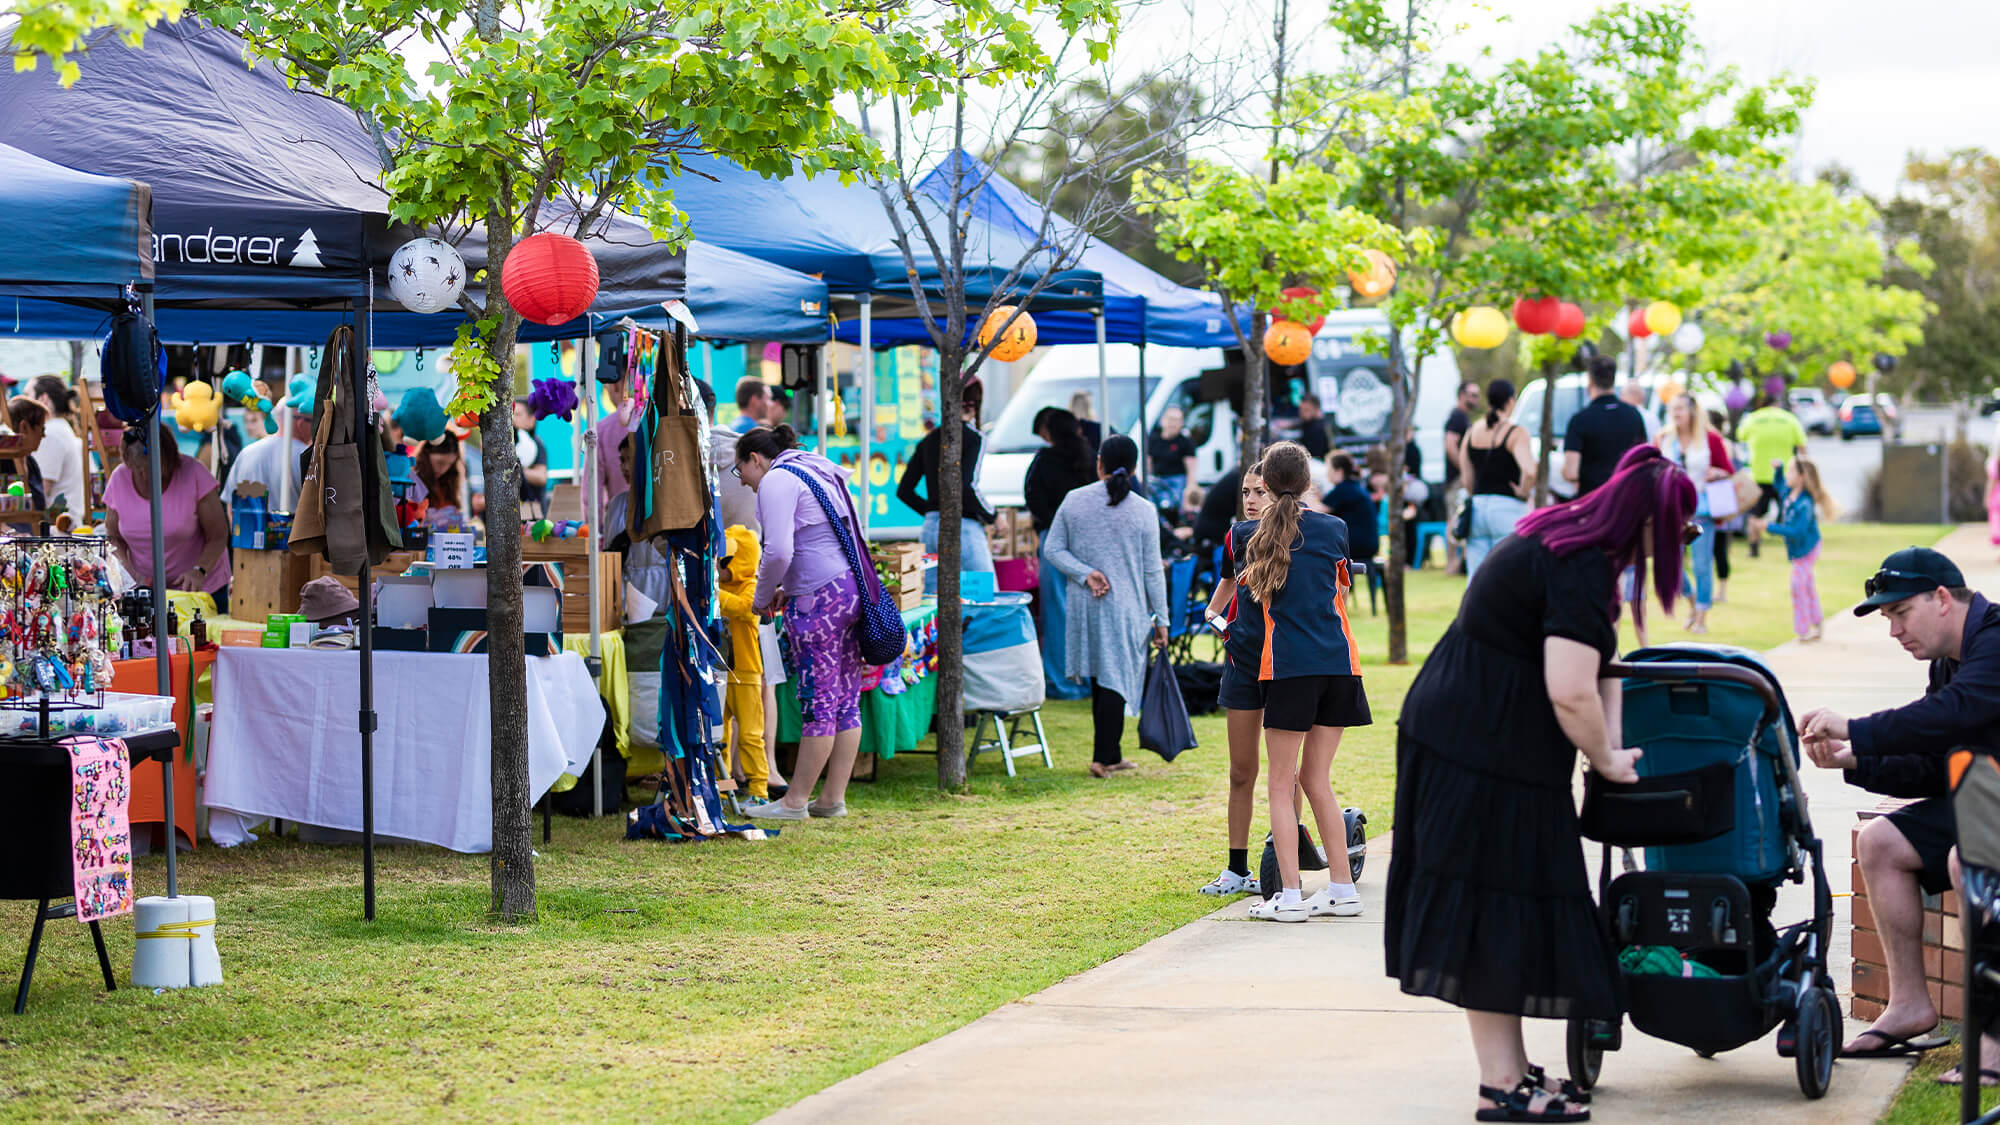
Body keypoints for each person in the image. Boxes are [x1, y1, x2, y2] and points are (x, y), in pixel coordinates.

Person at [1387, 445, 1694, 1122]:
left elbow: (1601, 665)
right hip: (1477, 746)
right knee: (1494, 906)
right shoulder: (1579, 562)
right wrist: (1607, 761)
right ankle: (1500, 1085)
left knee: (1512, 903)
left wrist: (1607, 752)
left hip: (1487, 738)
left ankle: (1514, 1070)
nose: (1676, 545)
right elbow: (1571, 690)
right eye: (1677, 531)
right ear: (1648, 522)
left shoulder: (1565, 539)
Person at [1797, 548, 2000, 1076]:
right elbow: (1937, 764)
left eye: (1899, 613)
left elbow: (1957, 712)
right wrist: (1856, 758)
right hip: (1990, 799)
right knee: (1880, 843)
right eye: (1888, 619)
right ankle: (1910, 1006)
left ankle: (1995, 1042)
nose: (1893, 631)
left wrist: (1856, 728)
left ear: (1940, 599)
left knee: (1970, 857)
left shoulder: (1997, 640)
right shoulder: (1947, 662)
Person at [1235, 442, 1371, 922]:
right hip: (1339, 666)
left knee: (1279, 783)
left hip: (1289, 668)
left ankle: (1289, 896)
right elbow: (1341, 590)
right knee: (1317, 780)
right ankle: (1340, 888)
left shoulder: (1249, 536)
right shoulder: (1336, 529)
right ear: (1310, 481)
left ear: (1266, 486)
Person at [735, 424, 868, 821]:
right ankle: (831, 799)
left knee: (819, 700)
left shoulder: (777, 479)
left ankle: (794, 802)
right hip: (849, 589)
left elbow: (778, 551)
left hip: (819, 601)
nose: (742, 481)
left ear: (755, 459)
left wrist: (760, 599)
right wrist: (786, 589)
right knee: (846, 700)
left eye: (739, 470)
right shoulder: (816, 467)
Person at [1042, 434, 1169, 777]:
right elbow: (1152, 570)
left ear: (1099, 463)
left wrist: (1086, 574)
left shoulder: (1074, 500)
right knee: (1113, 678)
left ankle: (1110, 753)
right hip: (1125, 607)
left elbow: (1052, 550)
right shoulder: (1143, 510)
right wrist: (1162, 619)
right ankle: (1104, 757)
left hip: (1085, 605)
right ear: (1135, 466)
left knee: (1103, 678)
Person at [1198, 463, 1273, 896]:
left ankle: (1284, 862)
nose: (1250, 499)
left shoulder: (1300, 537)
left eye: (1259, 492)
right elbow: (1223, 589)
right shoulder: (1236, 538)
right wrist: (1215, 619)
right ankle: (1236, 869)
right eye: (1246, 491)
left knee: (1289, 774)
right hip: (1243, 663)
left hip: (1286, 665)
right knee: (1241, 771)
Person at [104, 423, 233, 613]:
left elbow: (219, 535)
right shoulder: (119, 478)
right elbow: (114, 536)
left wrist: (200, 570)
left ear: (168, 458)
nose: (145, 476)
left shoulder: (194, 473)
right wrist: (126, 571)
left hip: (201, 590)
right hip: (147, 593)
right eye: (137, 469)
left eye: (152, 468)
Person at [1024, 407, 1098, 702]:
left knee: (1056, 613)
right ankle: (1089, 681)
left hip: (1054, 541)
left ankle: (1061, 681)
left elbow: (1032, 497)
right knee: (1087, 612)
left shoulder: (1044, 461)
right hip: (1089, 542)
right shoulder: (1090, 457)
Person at [897, 377, 996, 575]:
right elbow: (967, 486)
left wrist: (933, 511)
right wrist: (993, 516)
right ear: (975, 405)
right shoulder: (974, 438)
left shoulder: (929, 440)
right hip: (964, 528)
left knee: (932, 600)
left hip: (930, 528)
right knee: (985, 597)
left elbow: (904, 491)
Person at [1654, 394, 1734, 634]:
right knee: (1671, 563)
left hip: (1701, 509)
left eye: (1680, 409)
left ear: (1692, 412)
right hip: (1671, 509)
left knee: (1702, 564)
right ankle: (1691, 599)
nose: (1676, 414)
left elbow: (1728, 470)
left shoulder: (1709, 439)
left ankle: (1701, 616)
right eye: (1673, 409)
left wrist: (1717, 473)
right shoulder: (1664, 438)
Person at [1457, 378, 1535, 578]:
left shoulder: (1472, 431)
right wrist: (1523, 492)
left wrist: (1477, 494)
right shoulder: (1516, 432)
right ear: (1511, 401)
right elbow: (1530, 471)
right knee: (1510, 576)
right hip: (1507, 507)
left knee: (1477, 578)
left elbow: (1466, 477)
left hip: (1478, 508)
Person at [715, 524, 770, 801]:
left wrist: (715, 595)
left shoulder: (753, 586)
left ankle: (759, 790)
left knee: (750, 734)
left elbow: (746, 609)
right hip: (721, 670)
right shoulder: (720, 585)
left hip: (746, 671)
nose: (718, 565)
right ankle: (725, 791)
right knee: (719, 733)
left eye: (724, 561)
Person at [1763, 456, 1833, 642]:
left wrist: (1769, 527)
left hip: (1807, 549)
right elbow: (1778, 485)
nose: (1787, 475)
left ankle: (1803, 630)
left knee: (1797, 586)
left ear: (1801, 477)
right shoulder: (1788, 493)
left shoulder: (1805, 504)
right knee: (1806, 586)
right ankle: (1817, 623)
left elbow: (1797, 532)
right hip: (1798, 550)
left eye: (1791, 471)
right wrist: (1778, 470)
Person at [1563, 355, 1650, 498]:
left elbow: (1571, 472)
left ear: (1590, 381)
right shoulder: (1634, 415)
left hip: (1593, 501)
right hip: (1627, 498)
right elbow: (1643, 458)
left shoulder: (1580, 420)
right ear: (1613, 379)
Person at [603, 435, 671, 609]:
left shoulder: (666, 503)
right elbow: (611, 556)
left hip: (664, 593)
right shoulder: (616, 505)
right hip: (628, 595)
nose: (624, 467)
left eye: (630, 460)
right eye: (622, 460)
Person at [1738, 393, 1808, 553]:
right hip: (1786, 476)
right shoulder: (1790, 419)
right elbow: (1802, 446)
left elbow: (1741, 437)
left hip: (1759, 473)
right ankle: (1790, 545)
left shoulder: (1752, 418)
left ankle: (1753, 546)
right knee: (1789, 511)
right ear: (1777, 404)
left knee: (1754, 514)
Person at [220, 403, 312, 510]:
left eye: (253, 421)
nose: (248, 427)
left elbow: (231, 506)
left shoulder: (245, 453)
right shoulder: (305, 454)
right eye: (246, 421)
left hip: (250, 525)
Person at [27, 376, 85, 516]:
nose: (24, 402)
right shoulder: (60, 428)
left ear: (43, 399)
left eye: (27, 396)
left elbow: (41, 492)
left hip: (56, 530)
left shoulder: (50, 433)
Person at [1443, 380, 1479, 574]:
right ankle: (1451, 564)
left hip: (1460, 477)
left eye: (1477, 395)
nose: (1476, 399)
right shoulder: (1457, 416)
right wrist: (1465, 470)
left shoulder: (1463, 417)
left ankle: (1460, 563)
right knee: (1455, 518)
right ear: (1462, 395)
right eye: (1472, 395)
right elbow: (1450, 445)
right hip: (1457, 478)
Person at [1322, 452, 1378, 566]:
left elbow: (1318, 510)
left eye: (1329, 470)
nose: (1327, 474)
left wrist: (1307, 492)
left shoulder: (1343, 489)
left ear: (1339, 471)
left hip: (1356, 543)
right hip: (1369, 542)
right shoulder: (1354, 486)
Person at [594, 379, 637, 525]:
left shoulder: (601, 429)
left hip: (619, 526)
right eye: (622, 460)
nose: (624, 467)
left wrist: (596, 536)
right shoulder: (657, 423)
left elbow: (592, 493)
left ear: (616, 385)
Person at [1146, 405, 1199, 516]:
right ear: (1162, 420)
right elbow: (1148, 463)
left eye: (1178, 420)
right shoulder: (1153, 439)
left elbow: (1191, 470)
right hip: (1157, 480)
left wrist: (1189, 490)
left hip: (1177, 481)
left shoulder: (1185, 442)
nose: (1173, 423)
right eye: (1171, 419)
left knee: (1173, 506)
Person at [415, 430, 473, 529]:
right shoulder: (413, 480)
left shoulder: (450, 480)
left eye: (449, 464)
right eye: (440, 463)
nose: (444, 469)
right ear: (426, 454)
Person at [511, 398, 549, 519]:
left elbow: (541, 477)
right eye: (511, 414)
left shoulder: (537, 444)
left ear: (532, 419)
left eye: (518, 414)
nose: (513, 419)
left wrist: (516, 471)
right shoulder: (507, 444)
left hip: (533, 513)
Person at [1296, 394, 1333, 459]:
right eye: (1300, 409)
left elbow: (1314, 454)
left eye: (1306, 410)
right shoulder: (1308, 423)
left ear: (1316, 409)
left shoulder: (1317, 428)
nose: (1301, 413)